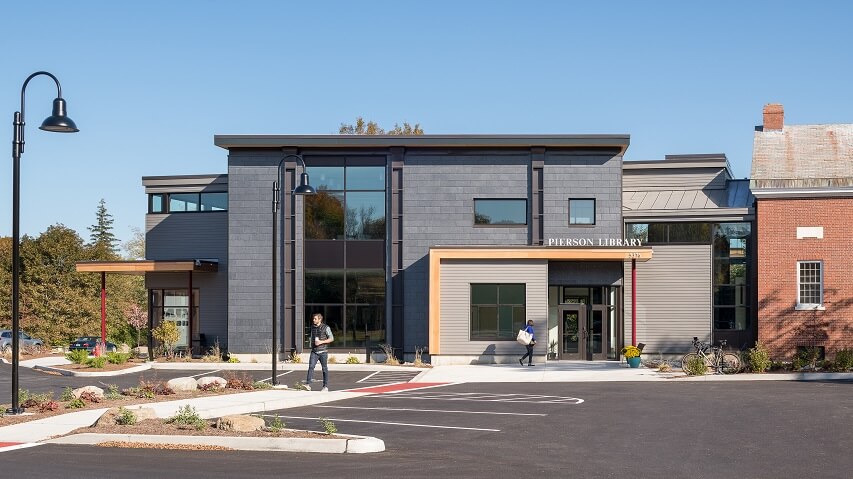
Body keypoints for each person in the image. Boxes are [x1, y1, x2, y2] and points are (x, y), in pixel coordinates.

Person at [305, 312, 334, 391]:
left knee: (324, 368)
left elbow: (331, 338)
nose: (313, 320)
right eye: (313, 319)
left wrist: (321, 342)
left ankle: (325, 386)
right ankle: (307, 384)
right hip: (314, 351)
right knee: (311, 367)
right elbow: (312, 337)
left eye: (315, 319)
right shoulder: (312, 327)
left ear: (320, 319)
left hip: (323, 351)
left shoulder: (326, 327)